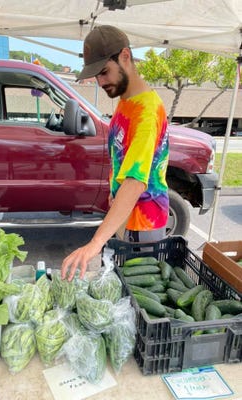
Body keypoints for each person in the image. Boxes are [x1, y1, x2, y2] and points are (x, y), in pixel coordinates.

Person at [61, 25, 169, 281]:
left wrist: (94, 243)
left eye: (105, 72)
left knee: (138, 297)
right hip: (124, 217)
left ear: (125, 57)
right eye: (97, 75)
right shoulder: (125, 103)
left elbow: (135, 182)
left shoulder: (146, 111)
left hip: (144, 223)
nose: (101, 82)